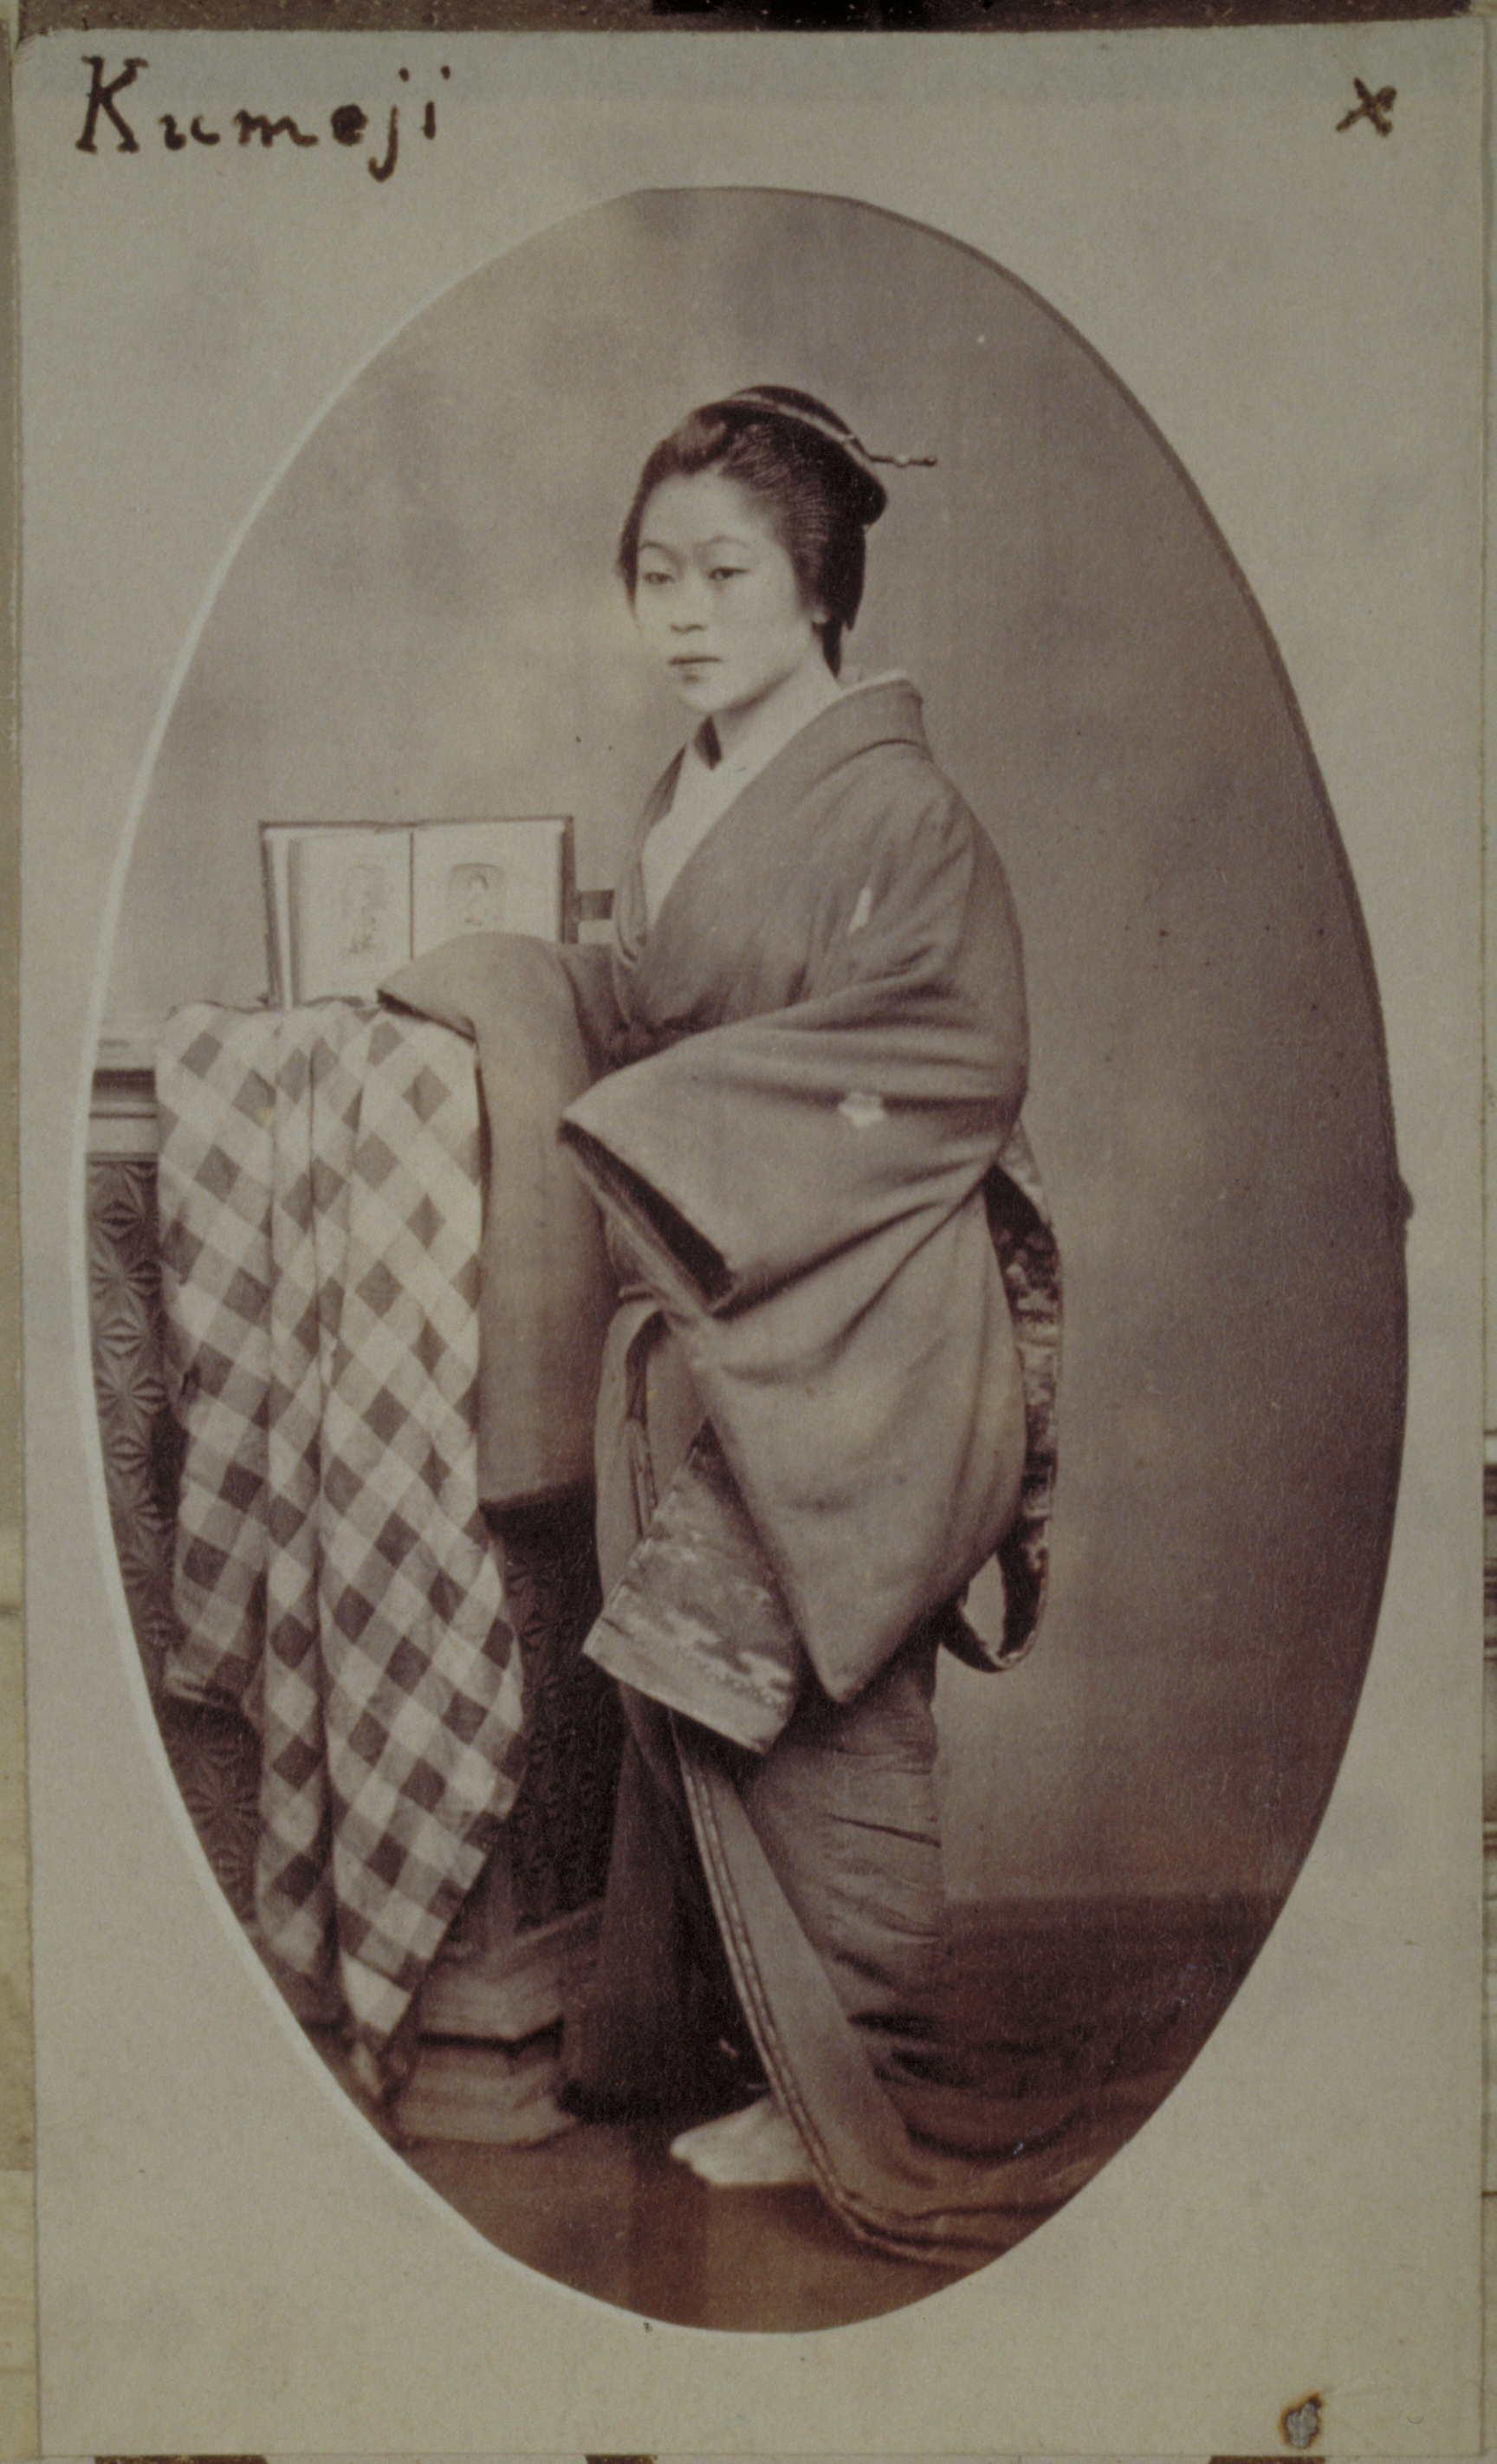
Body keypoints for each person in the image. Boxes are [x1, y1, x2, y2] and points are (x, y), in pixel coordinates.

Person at [386, 386, 1060, 2266]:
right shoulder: (690, 795)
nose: (684, 611)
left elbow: (945, 1050)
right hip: (728, 1306)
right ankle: (765, 2056)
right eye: (654, 576)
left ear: (818, 578)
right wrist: (521, 979)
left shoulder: (897, 807)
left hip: (857, 1313)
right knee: (714, 1707)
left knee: (836, 1716)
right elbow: (652, 998)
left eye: (725, 573)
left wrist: (655, 1110)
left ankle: (870, 2086)